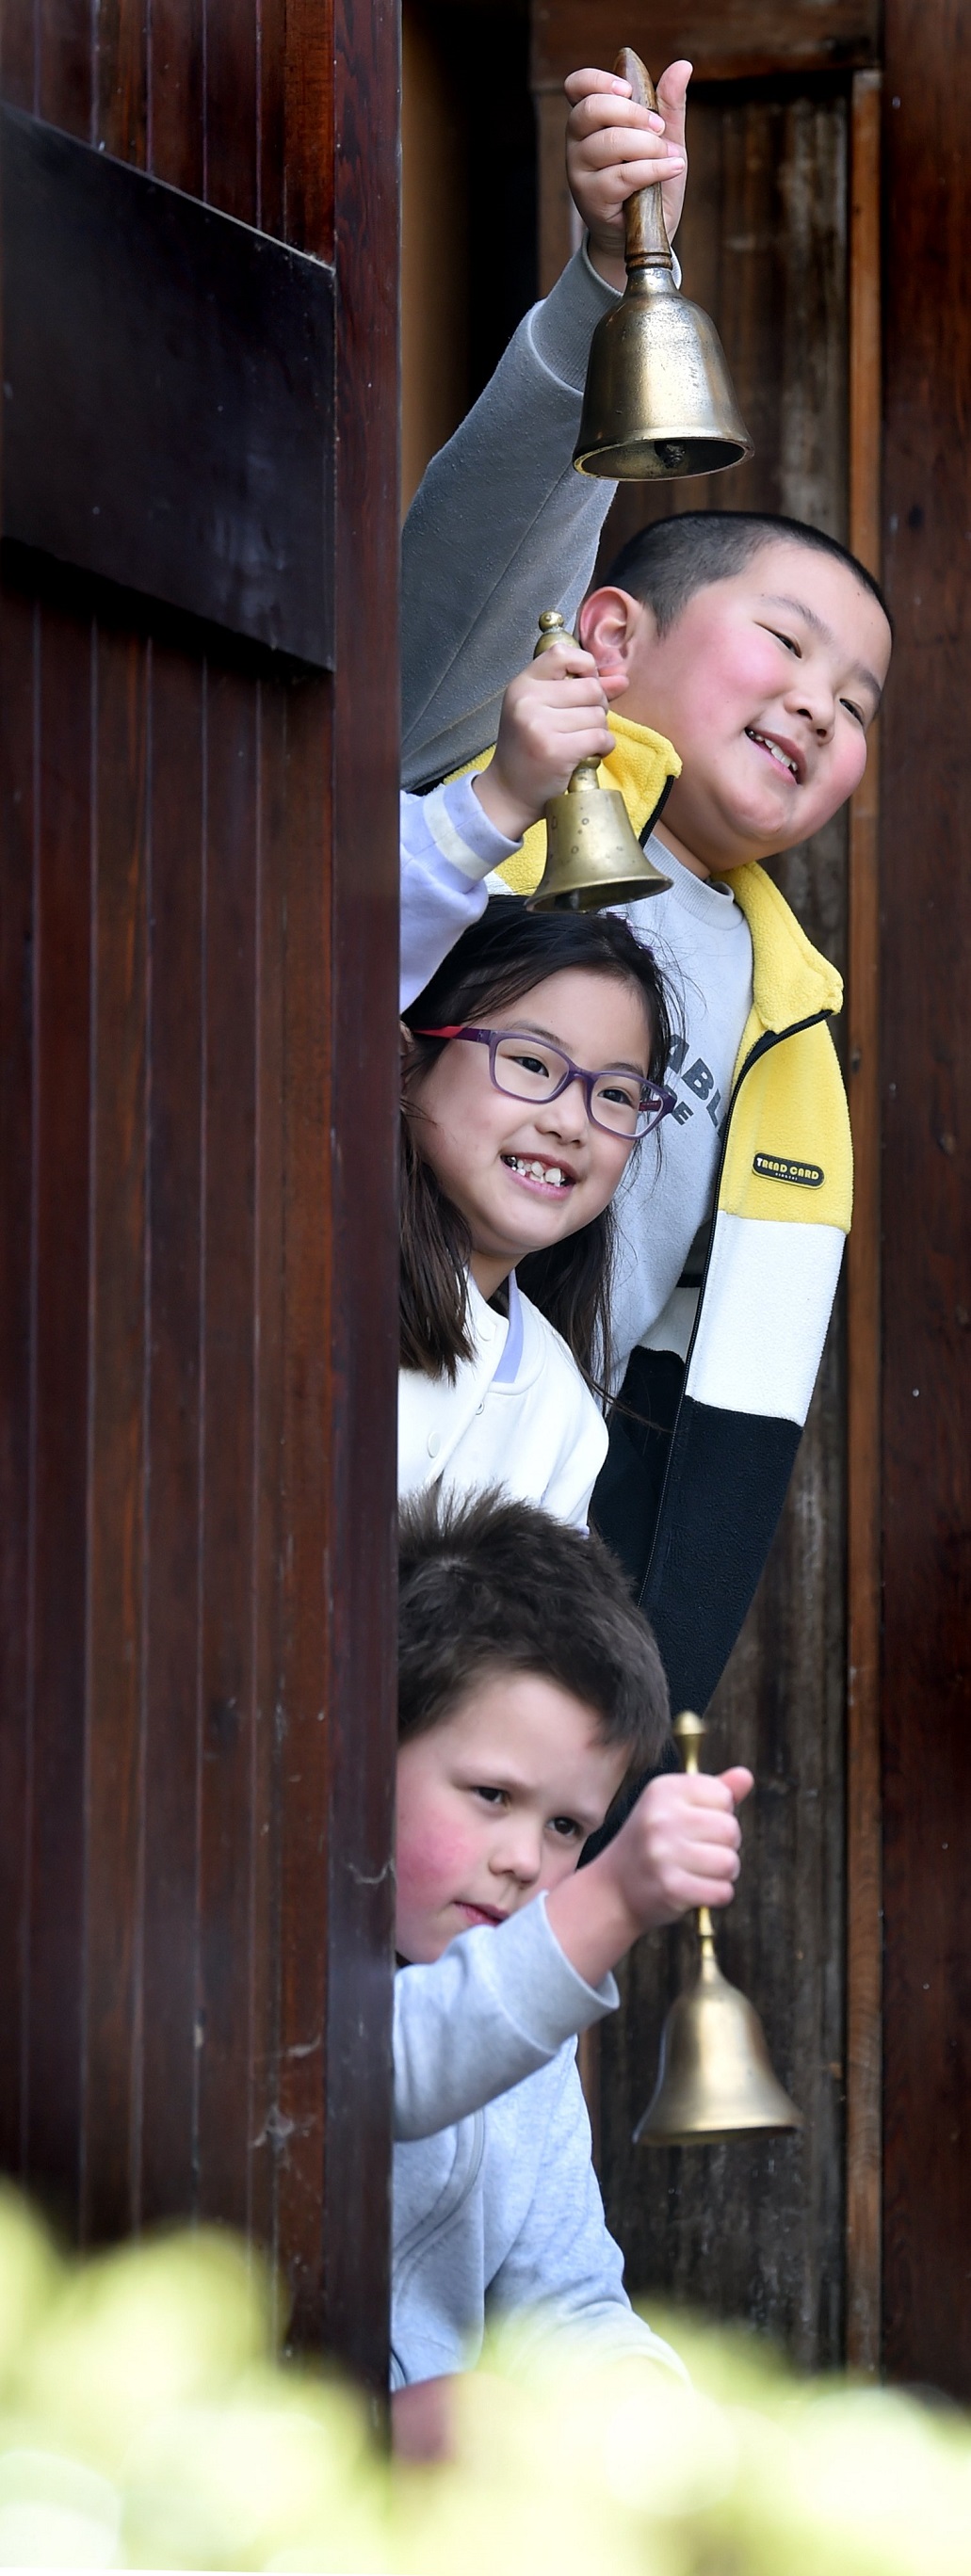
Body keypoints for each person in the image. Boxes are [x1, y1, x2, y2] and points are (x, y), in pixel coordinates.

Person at [398, 66, 894, 1715]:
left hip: (514, 1512)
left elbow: (715, 1422)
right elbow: (480, 571)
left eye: (863, 700)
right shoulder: (499, 765)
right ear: (612, 642)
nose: (825, 702)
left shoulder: (787, 1020)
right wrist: (601, 297)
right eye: (788, 641)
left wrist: (627, 1713)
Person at [391, 1487, 753, 2455]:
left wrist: (644, 2403)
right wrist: (613, 1896)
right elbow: (388, 2069)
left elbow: (569, 2299)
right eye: (491, 1795)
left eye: (565, 1828)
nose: (521, 1859)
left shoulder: (531, 2051)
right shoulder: (281, 1960)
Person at [399, 899, 673, 1532]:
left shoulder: (565, 1418)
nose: (570, 1123)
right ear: (406, 1061)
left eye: (614, 1095)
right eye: (530, 1062)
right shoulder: (306, 1279)